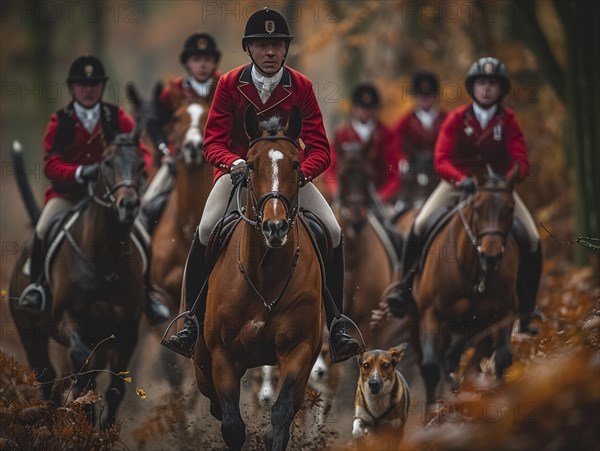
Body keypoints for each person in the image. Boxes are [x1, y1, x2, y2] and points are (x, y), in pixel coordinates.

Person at [163, 8, 362, 362]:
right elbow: (212, 143)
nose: (269, 52)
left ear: (285, 49)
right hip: (238, 175)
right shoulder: (228, 84)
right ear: (249, 49)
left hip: (287, 178)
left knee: (332, 230)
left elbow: (320, 148)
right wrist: (232, 163)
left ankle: (337, 323)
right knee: (207, 228)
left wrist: (300, 174)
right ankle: (189, 320)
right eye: (262, 45)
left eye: (276, 45)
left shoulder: (301, 86)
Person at [387, 57, 542, 335]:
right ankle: (403, 287)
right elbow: (441, 159)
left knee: (531, 237)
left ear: (501, 89)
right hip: (458, 184)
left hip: (497, 189)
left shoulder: (508, 120)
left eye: (492, 84)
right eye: (481, 83)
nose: (486, 89)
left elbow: (521, 161)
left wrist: (506, 178)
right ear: (473, 87)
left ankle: (527, 308)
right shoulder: (457, 118)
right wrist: (463, 179)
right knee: (420, 224)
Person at [18, 55, 170, 325]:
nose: (88, 90)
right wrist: (79, 172)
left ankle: (149, 295)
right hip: (69, 195)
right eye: (82, 84)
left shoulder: (117, 116)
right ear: (72, 88)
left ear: (101, 87)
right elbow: (51, 165)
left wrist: (135, 176)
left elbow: (141, 152)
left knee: (142, 235)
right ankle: (38, 287)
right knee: (43, 229)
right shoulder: (60, 121)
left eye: (94, 84)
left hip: (112, 196)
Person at [141, 33, 222, 224]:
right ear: (187, 63)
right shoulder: (174, 90)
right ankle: (146, 241)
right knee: (148, 203)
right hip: (177, 158)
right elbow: (153, 123)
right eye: (196, 59)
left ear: (214, 63)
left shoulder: (224, 86)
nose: (202, 65)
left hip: (216, 159)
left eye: (207, 59)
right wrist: (163, 149)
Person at [324, 83, 399, 205]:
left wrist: (383, 196)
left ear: (375, 109)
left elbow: (394, 170)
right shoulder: (341, 135)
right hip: (346, 198)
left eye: (370, 108)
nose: (365, 112)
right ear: (353, 108)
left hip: (378, 198)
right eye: (361, 107)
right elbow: (330, 168)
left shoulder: (387, 135)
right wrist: (336, 190)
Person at [392, 71, 446, 208]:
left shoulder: (446, 119)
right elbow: (395, 146)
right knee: (398, 204)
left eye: (429, 95)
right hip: (412, 172)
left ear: (435, 97)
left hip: (438, 172)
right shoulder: (404, 122)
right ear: (415, 97)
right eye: (421, 95)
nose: (425, 99)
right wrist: (402, 160)